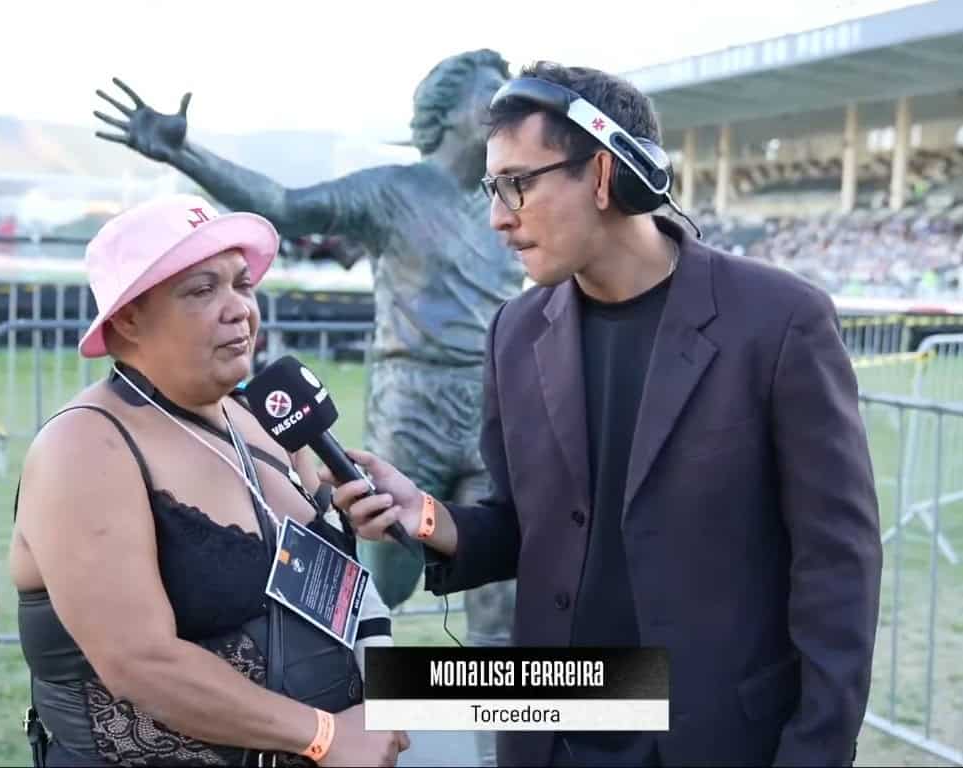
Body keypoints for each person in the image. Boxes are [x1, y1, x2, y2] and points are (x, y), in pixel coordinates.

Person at [329, 62, 883, 767]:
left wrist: (814, 753)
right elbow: (528, 524)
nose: (498, 216)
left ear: (602, 176)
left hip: (719, 738)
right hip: (554, 731)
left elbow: (837, 567)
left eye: (516, 184)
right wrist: (426, 518)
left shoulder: (780, 321)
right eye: (490, 188)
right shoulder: (513, 332)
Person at [93, 53, 524, 766]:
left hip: (486, 405)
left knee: (499, 612)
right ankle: (349, 729)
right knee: (379, 586)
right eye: (490, 89)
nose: (502, 99)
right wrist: (183, 152)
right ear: (449, 110)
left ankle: (497, 753)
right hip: (410, 400)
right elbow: (288, 208)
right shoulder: (392, 190)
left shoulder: (502, 204)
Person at [10, 194, 408, 767]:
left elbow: (341, 599)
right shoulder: (85, 446)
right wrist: (325, 735)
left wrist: (388, 533)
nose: (239, 309)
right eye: (202, 290)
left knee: (573, 696)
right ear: (128, 317)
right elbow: (141, 662)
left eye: (243, 285)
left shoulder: (261, 421)